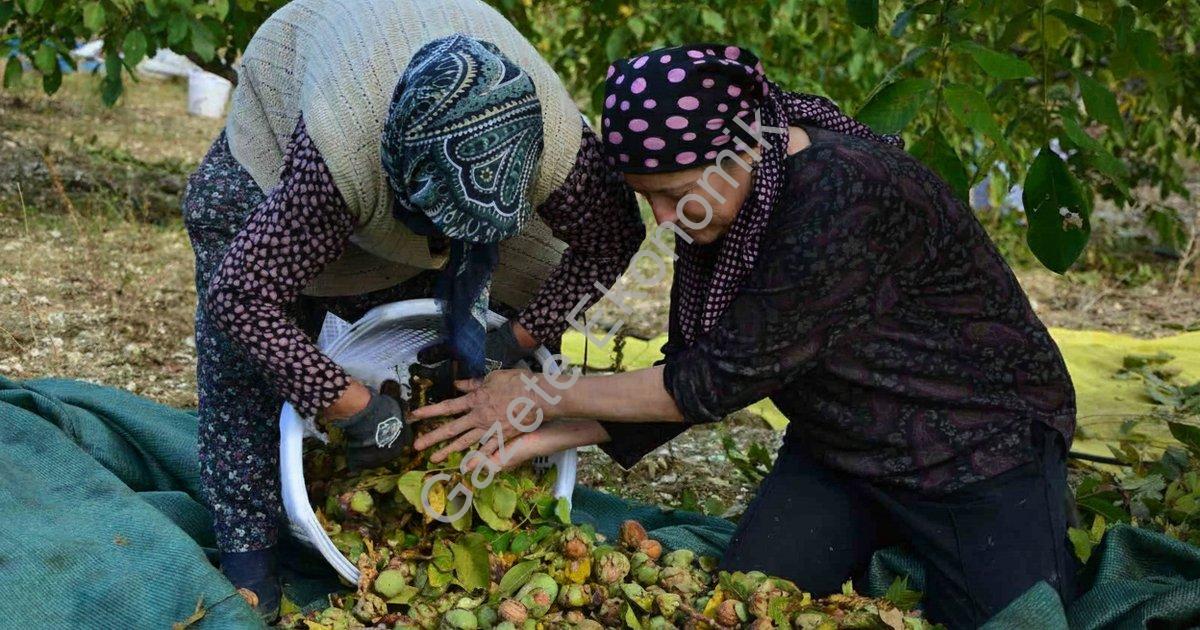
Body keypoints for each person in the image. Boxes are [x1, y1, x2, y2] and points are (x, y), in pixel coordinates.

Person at [411, 44, 1079, 629]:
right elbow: (689, 369)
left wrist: (536, 396)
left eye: (673, 194)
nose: (667, 218)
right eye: (651, 199)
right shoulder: (727, 206)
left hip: (975, 448)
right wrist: (530, 441)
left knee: (1017, 620)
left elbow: (709, 383)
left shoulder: (841, 198)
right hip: (842, 448)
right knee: (749, 600)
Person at [181, 0, 642, 619]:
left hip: (432, 168)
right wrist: (352, 407)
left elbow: (613, 238)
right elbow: (242, 298)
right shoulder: (336, 155)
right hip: (278, 156)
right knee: (253, 363)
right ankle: (248, 552)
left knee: (451, 330)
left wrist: (518, 341)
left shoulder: (556, 149)